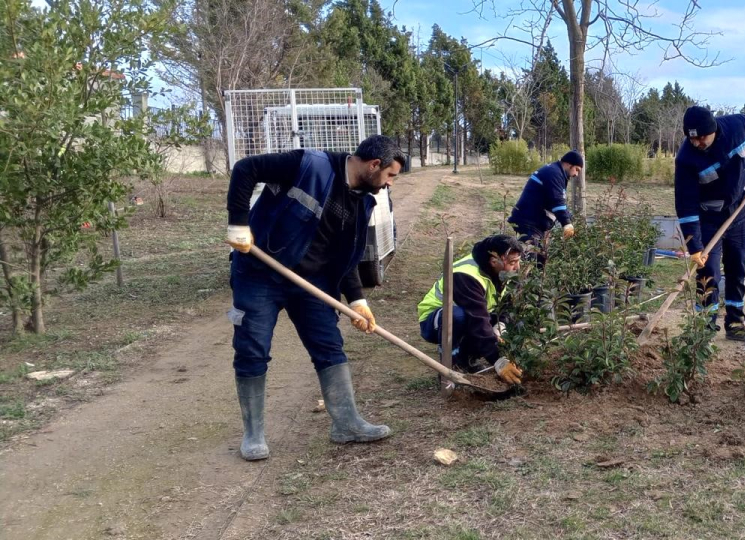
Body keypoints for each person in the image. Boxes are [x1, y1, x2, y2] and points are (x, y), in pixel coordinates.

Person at [224, 135, 405, 461]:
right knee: (253, 348)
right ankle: (253, 434)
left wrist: (356, 300)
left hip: (311, 282)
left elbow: (344, 256)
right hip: (259, 272)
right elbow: (245, 168)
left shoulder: (363, 199)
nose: (389, 184)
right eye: (390, 175)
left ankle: (346, 424)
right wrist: (238, 222)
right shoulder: (308, 164)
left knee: (328, 344)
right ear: (374, 165)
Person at [674, 106, 745, 343]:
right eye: (691, 138)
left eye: (701, 137)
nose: (697, 143)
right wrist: (694, 246)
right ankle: (704, 326)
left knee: (737, 266)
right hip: (708, 217)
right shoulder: (686, 159)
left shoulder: (738, 126)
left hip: (740, 210)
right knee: (708, 271)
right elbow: (685, 205)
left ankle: (735, 322)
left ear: (713, 130)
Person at [417, 235, 525, 385]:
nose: (517, 267)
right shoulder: (466, 275)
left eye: (518, 261)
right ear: (494, 261)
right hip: (435, 320)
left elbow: (507, 305)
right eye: (513, 262)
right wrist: (497, 359)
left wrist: (500, 325)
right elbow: (478, 320)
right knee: (458, 317)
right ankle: (450, 366)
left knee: (517, 322)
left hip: (474, 315)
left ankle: (466, 360)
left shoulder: (502, 272)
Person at [507, 151, 584, 255]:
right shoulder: (554, 173)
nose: (576, 174)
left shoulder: (556, 172)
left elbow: (555, 201)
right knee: (534, 259)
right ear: (569, 164)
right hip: (529, 222)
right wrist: (566, 223)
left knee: (540, 256)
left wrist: (570, 217)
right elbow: (557, 202)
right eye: (577, 170)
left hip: (533, 221)